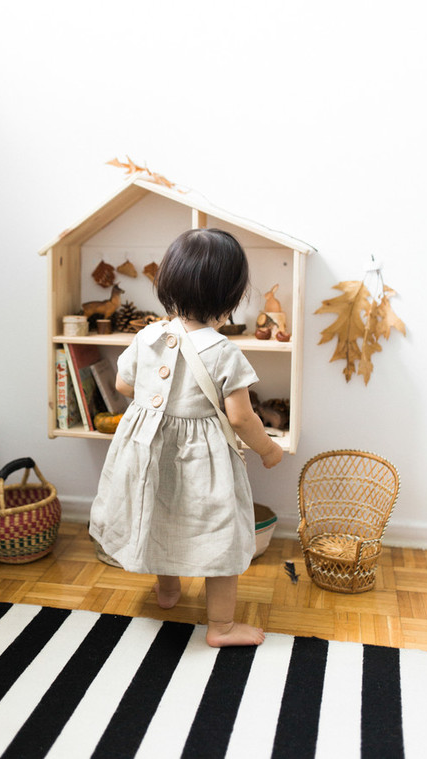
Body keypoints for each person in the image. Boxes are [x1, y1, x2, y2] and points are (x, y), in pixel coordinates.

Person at [89, 228, 283, 647]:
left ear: (169, 284)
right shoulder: (225, 351)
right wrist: (269, 449)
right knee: (221, 533)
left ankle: (168, 590)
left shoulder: (147, 336)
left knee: (162, 516)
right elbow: (242, 417)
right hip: (202, 461)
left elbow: (123, 387)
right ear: (230, 297)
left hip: (147, 451)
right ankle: (222, 627)